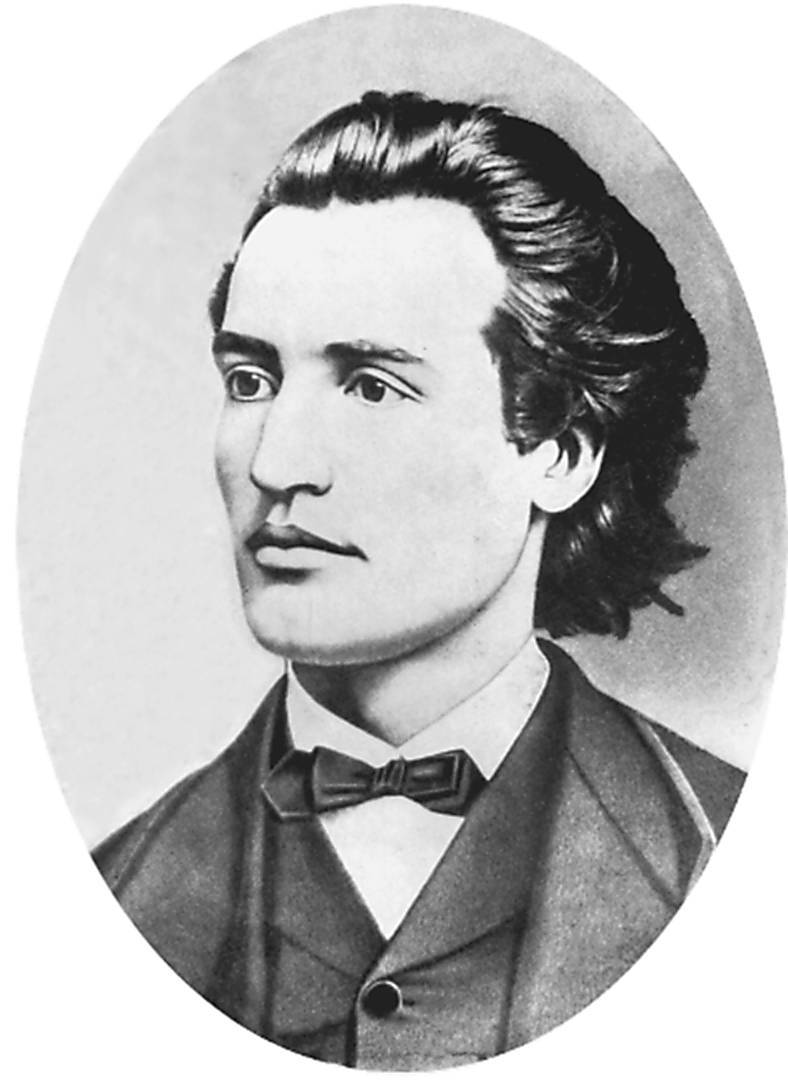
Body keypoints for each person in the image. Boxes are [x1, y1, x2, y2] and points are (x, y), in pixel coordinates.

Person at [93, 91, 745, 1070]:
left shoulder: (734, 856)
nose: (275, 461)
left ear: (559, 452)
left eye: (371, 385)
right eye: (250, 380)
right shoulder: (105, 895)